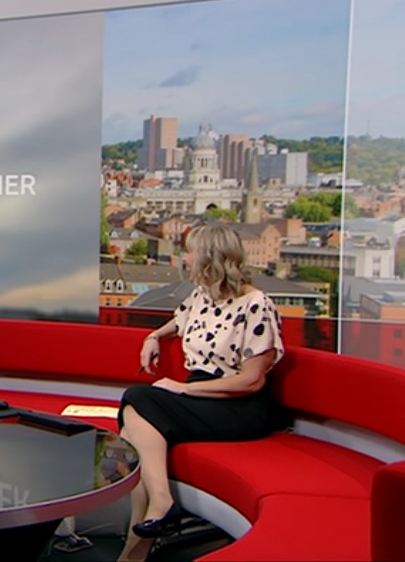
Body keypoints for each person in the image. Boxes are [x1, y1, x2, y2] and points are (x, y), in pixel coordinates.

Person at [116, 223, 286, 562]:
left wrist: (183, 388)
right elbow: (179, 321)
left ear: (210, 257)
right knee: (131, 432)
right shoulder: (202, 296)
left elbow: (251, 381)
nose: (185, 258)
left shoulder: (256, 305)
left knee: (138, 398)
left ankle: (159, 507)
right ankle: (138, 542)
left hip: (238, 405)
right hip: (198, 397)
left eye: (190, 252)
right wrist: (153, 337)